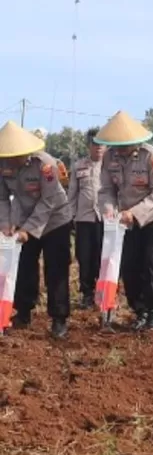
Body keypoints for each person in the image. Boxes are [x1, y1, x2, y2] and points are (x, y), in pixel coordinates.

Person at [97, 110, 153, 331]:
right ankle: (139, 310)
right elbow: (106, 189)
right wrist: (109, 209)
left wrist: (135, 212)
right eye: (117, 146)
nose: (120, 150)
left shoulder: (152, 156)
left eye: (125, 145)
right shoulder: (109, 157)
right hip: (126, 220)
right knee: (130, 265)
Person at [0, 120, 72, 338]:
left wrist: (28, 229)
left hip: (55, 221)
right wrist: (6, 222)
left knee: (56, 269)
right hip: (24, 219)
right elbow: (2, 198)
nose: (13, 160)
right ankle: (23, 312)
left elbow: (48, 201)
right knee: (23, 267)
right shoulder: (2, 165)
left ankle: (59, 318)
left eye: (16, 155)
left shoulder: (45, 164)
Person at [68, 127, 106, 309]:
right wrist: (71, 217)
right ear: (88, 146)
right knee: (84, 257)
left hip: (105, 219)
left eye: (101, 145)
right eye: (95, 144)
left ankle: (103, 292)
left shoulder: (111, 166)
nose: (98, 148)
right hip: (84, 219)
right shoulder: (78, 166)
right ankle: (86, 293)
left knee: (102, 257)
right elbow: (72, 195)